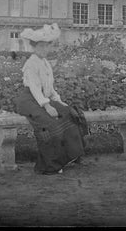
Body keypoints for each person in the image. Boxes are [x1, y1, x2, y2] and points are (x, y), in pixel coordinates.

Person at [13, 23, 87, 175]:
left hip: (42, 98)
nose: (45, 49)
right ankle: (49, 165)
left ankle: (69, 156)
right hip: (29, 100)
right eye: (41, 46)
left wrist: (59, 101)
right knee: (49, 124)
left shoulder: (45, 63)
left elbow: (49, 88)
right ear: (34, 47)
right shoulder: (31, 63)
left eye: (47, 46)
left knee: (69, 113)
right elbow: (34, 88)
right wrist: (47, 106)